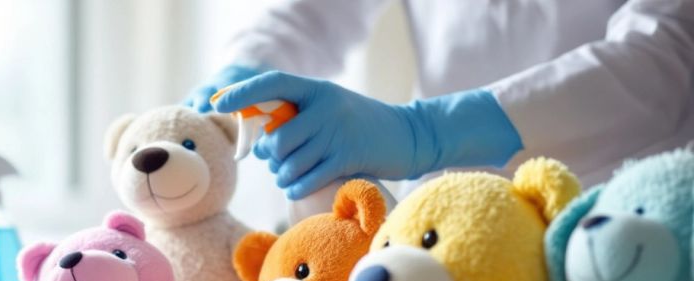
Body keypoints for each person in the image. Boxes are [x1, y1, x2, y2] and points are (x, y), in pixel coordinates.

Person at [186, 0, 694, 200]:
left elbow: (665, 58)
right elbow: (313, 14)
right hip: (438, 225)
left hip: (619, 219)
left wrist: (424, 133)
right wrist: (241, 73)